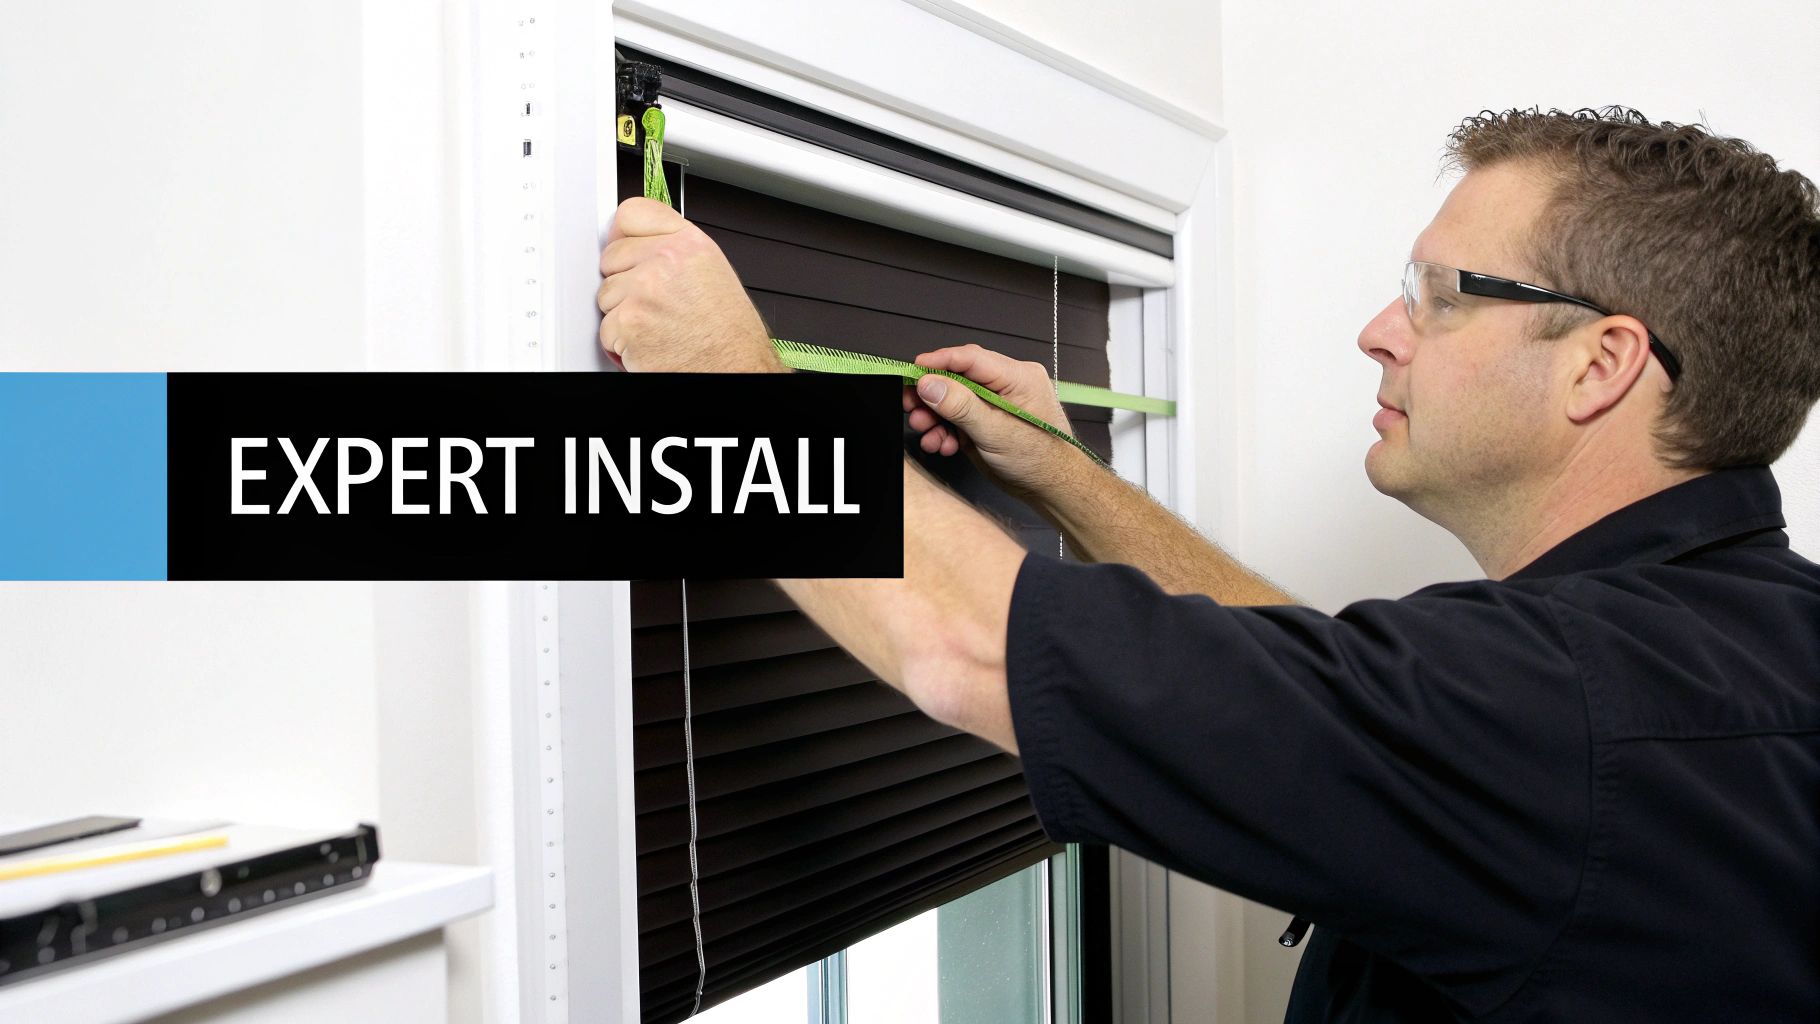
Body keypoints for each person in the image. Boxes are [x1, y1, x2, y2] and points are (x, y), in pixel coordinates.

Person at [596, 107, 1820, 1021]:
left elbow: (967, 644)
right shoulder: (1718, 654)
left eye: (1437, 295)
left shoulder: (1557, 712)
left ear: (1599, 363)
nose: (1378, 331)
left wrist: (723, 383)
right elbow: (1332, 713)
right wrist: (1061, 476)